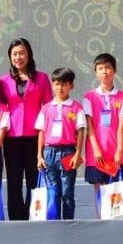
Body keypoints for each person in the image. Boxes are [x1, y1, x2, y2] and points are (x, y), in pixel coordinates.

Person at [0, 38, 51, 220]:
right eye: (14, 54)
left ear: (29, 55)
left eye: (22, 53)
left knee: (33, 180)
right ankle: (15, 220)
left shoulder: (42, 78)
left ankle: (32, 217)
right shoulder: (3, 81)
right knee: (13, 181)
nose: (18, 57)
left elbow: (49, 107)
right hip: (11, 137)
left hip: (35, 136)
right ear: (10, 57)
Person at [35, 68, 86, 220]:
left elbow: (81, 131)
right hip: (49, 153)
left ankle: (68, 224)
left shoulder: (76, 107)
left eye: (64, 84)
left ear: (71, 86)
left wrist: (78, 154)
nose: (60, 87)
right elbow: (41, 132)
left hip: (68, 152)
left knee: (67, 193)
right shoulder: (46, 108)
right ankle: (55, 223)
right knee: (53, 192)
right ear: (52, 85)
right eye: (56, 84)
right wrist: (39, 156)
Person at [83, 53, 123, 218]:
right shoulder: (89, 97)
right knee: (99, 186)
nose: (104, 72)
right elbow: (89, 126)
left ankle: (115, 220)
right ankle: (100, 219)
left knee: (116, 188)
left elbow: (122, 128)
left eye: (108, 68)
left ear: (114, 70)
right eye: (100, 68)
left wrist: (119, 150)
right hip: (96, 152)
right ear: (95, 72)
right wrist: (96, 149)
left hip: (115, 151)